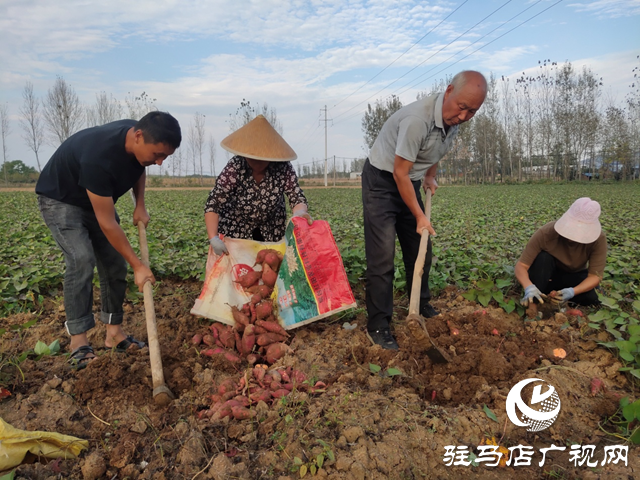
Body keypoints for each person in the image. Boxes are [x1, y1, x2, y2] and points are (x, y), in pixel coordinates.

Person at [35, 111, 182, 369]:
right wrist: (139, 266)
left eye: (165, 157)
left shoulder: (138, 143)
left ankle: (114, 334)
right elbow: (106, 222)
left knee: (115, 263)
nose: (159, 162)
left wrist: (141, 205)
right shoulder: (98, 156)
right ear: (138, 137)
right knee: (81, 259)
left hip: (96, 198)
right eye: (157, 155)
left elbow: (140, 166)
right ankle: (79, 343)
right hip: (61, 199)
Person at [362, 70, 487, 350]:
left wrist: (430, 176)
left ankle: (421, 303)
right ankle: (379, 325)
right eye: (462, 107)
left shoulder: (452, 121)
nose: (465, 116)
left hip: (410, 180)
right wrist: (418, 214)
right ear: (449, 91)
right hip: (382, 181)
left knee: (421, 247)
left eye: (472, 111)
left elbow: (435, 151)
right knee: (382, 256)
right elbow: (399, 172)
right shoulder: (417, 120)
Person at [204, 115, 311, 251]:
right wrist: (213, 237)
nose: (257, 162)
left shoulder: (282, 166)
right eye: (253, 158)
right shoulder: (236, 165)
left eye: (262, 158)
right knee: (239, 269)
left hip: (271, 229)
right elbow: (214, 202)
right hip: (236, 229)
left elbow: (296, 195)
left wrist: (300, 213)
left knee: (270, 265)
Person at [516, 197, 606, 307]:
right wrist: (528, 286)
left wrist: (573, 291)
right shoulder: (546, 233)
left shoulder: (598, 239)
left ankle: (563, 303)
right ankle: (533, 305)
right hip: (546, 277)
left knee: (593, 298)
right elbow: (521, 266)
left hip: (573, 277)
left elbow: (594, 276)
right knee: (543, 258)